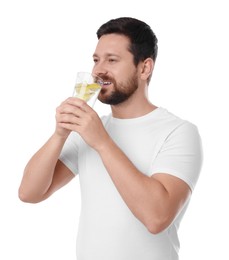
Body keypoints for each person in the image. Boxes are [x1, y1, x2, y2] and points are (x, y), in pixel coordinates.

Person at [19, 17, 203, 260]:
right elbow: (29, 193)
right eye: (96, 60)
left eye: (112, 60)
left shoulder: (179, 132)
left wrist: (102, 142)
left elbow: (157, 218)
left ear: (144, 68)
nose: (98, 70)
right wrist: (60, 134)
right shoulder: (90, 129)